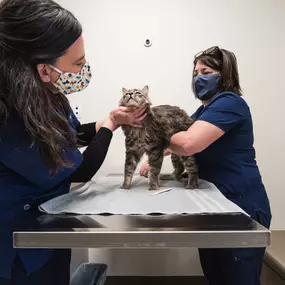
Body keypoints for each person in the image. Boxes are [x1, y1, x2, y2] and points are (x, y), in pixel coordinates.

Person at [0, 0, 146, 284]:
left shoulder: (45, 93)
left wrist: (106, 121)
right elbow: (75, 168)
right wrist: (111, 127)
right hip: (18, 242)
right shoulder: (9, 116)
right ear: (43, 69)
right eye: (78, 64)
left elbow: (68, 137)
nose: (83, 70)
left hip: (49, 226)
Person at [140, 46, 271, 285]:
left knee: (238, 279)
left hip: (240, 207)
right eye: (195, 73)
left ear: (225, 74)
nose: (198, 77)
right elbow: (180, 141)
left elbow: (189, 143)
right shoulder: (204, 110)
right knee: (216, 275)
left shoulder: (229, 102)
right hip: (214, 206)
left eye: (206, 71)